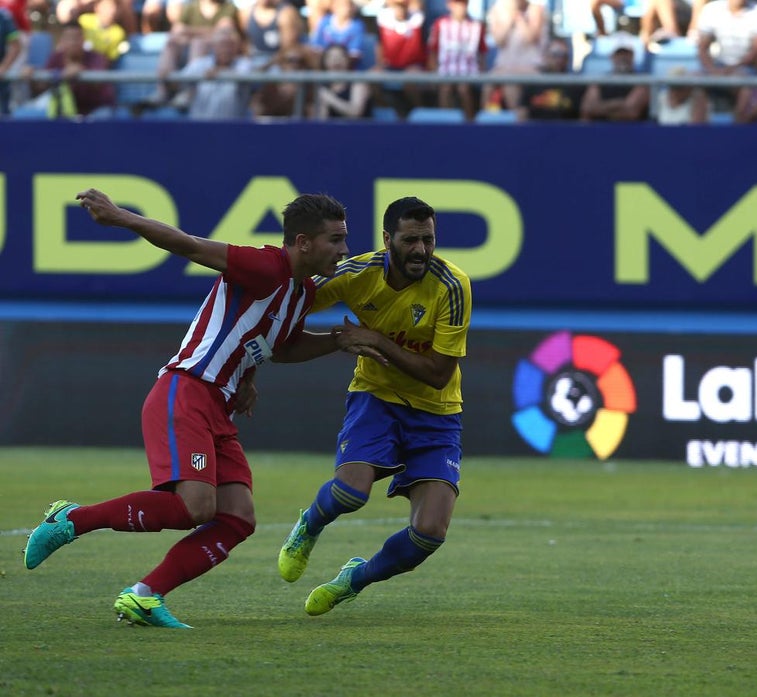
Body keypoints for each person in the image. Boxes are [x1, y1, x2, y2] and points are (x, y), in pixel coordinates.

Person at [22, 188, 355, 628]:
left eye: (344, 238)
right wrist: (121, 217)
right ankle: (73, 519)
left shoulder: (302, 294)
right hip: (188, 391)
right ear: (303, 243)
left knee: (238, 518)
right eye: (335, 239)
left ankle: (144, 596)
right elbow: (191, 245)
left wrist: (330, 344)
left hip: (219, 408)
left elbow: (278, 345)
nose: (344, 249)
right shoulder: (265, 265)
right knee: (195, 507)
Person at [277, 195, 472, 618]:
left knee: (430, 533)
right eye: (410, 240)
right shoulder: (356, 274)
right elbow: (287, 301)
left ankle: (354, 578)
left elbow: (439, 373)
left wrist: (378, 341)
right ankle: (308, 524)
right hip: (377, 397)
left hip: (437, 413)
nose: (421, 250)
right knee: (350, 492)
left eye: (428, 239)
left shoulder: (452, 287)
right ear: (388, 239)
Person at [21, 21, 114, 117]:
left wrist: (82, 70)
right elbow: (42, 85)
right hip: (64, 110)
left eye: (77, 37)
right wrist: (33, 73)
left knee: (105, 115)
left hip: (94, 109)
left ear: (83, 39)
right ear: (62, 40)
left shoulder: (97, 58)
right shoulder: (55, 58)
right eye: (69, 38)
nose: (73, 42)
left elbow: (98, 83)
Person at [427, 0, 486, 120]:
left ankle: (470, 122)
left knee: (463, 88)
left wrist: (481, 72)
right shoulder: (440, 24)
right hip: (445, 71)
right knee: (446, 88)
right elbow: (432, 51)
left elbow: (482, 53)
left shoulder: (476, 25)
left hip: (469, 71)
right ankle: (446, 123)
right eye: (458, 4)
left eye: (464, 4)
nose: (461, 7)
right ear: (450, 5)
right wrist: (433, 72)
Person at [580, 38, 650, 122]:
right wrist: (619, 104)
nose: (623, 57)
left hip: (631, 131)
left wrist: (601, 107)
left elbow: (631, 112)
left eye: (626, 54)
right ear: (612, 56)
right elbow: (588, 109)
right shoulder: (599, 81)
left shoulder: (642, 81)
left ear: (633, 56)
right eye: (619, 54)